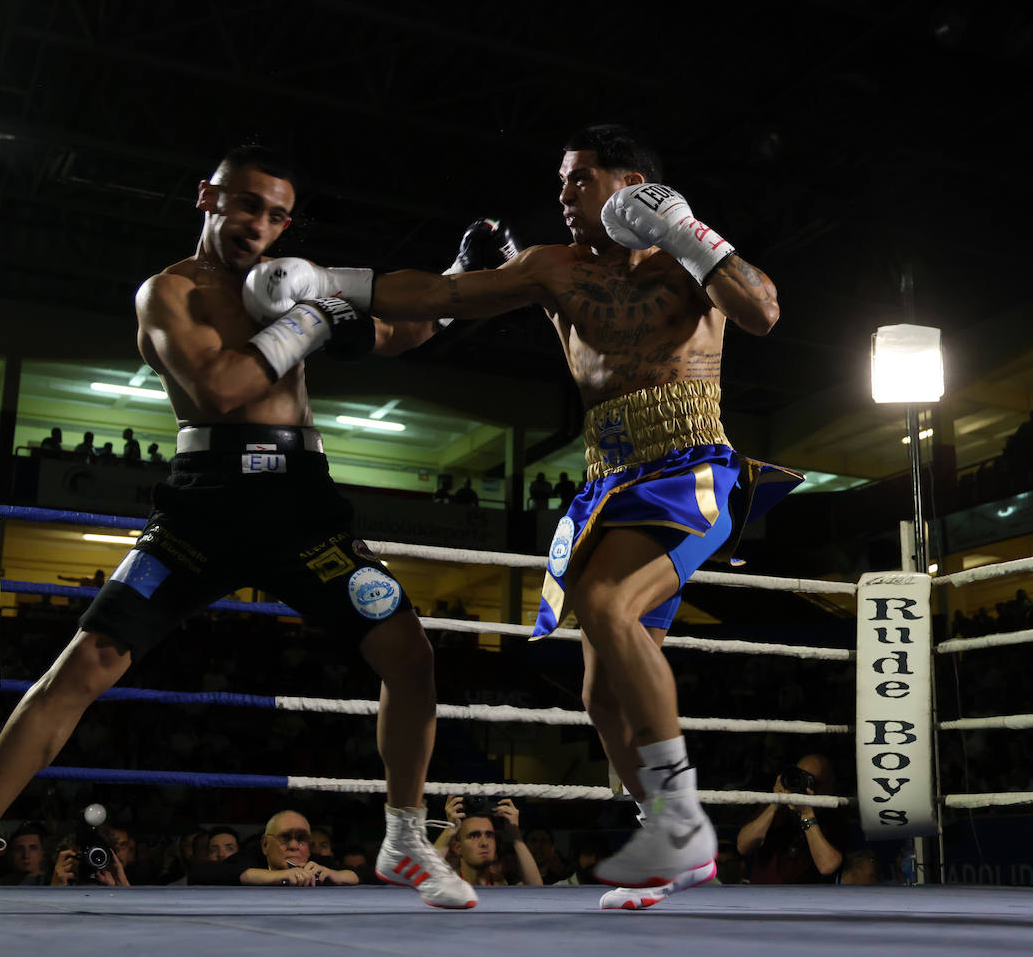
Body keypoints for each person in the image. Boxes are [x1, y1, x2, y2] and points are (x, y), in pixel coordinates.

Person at [0, 144, 475, 914]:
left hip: (301, 504)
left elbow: (396, 334)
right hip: (206, 503)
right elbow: (223, 387)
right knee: (89, 660)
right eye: (245, 204)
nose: (257, 224)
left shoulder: (289, 283)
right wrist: (312, 314)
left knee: (411, 653)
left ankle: (402, 838)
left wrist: (454, 286)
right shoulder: (169, 292)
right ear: (207, 197)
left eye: (275, 213)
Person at [243, 123, 802, 910]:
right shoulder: (552, 268)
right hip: (608, 482)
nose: (564, 196)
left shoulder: (690, 260)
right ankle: (669, 847)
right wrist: (323, 280)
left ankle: (680, 818)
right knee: (601, 694)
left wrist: (684, 226)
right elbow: (440, 295)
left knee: (606, 606)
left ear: (630, 182)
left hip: (691, 466)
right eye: (561, 183)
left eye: (579, 179)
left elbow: (763, 312)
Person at [736, 753, 849, 884]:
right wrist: (775, 804)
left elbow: (827, 866)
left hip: (809, 901)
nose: (803, 784)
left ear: (830, 786)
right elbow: (743, 847)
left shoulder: (834, 817)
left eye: (812, 781)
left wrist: (807, 815)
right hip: (764, 897)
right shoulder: (774, 807)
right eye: (800, 776)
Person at [190, 809, 360, 886]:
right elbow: (199, 874)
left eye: (301, 839)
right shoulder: (248, 859)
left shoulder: (317, 865)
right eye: (285, 838)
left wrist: (336, 875)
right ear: (265, 844)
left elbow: (369, 873)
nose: (294, 846)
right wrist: (274, 876)